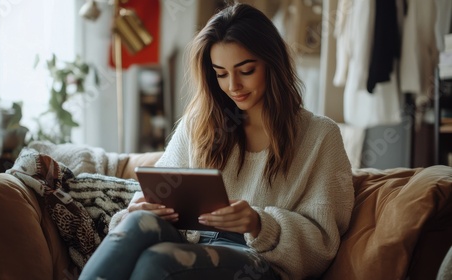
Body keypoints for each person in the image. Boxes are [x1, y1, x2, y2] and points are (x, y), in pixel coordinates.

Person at [79, 3, 354, 280]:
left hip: (258, 262)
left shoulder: (320, 136)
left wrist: (260, 223)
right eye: (221, 74)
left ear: (273, 63)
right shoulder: (200, 123)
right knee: (137, 221)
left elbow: (323, 243)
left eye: (245, 71)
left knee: (157, 261)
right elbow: (160, 187)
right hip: (191, 242)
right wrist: (141, 205)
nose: (233, 85)